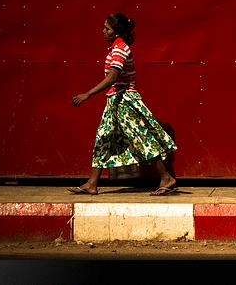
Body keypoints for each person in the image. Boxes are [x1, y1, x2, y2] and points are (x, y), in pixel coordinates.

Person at [69, 13, 178, 196]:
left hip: (125, 102)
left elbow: (113, 76)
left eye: (107, 28)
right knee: (103, 138)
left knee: (141, 139)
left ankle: (166, 177)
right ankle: (92, 183)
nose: (103, 31)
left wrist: (88, 94)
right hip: (115, 101)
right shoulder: (114, 48)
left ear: (116, 31)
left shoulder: (120, 48)